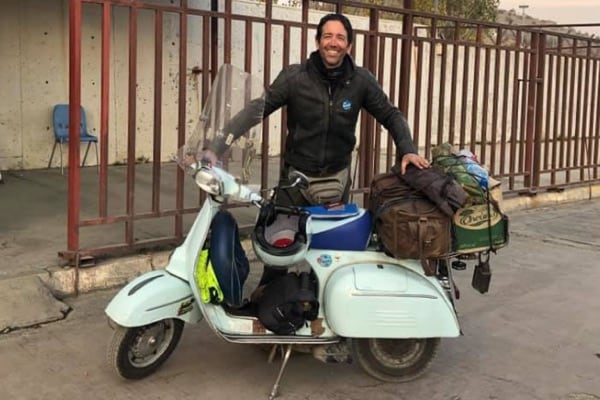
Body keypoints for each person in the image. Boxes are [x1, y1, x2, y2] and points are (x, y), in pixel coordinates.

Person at [202, 13, 430, 289]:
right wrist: (216, 147)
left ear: (349, 45)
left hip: (336, 179)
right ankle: (268, 297)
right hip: (295, 179)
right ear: (318, 41)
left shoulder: (361, 81)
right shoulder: (294, 77)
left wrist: (407, 149)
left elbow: (391, 114)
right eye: (327, 36)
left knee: (330, 255)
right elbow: (256, 110)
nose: (333, 42)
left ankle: (322, 304)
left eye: (340, 37)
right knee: (278, 251)